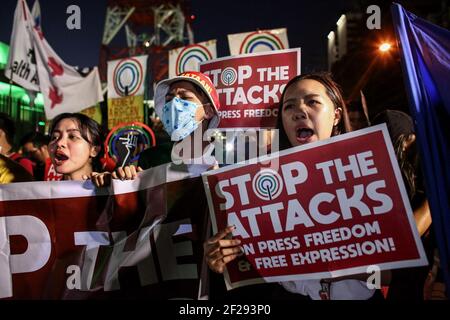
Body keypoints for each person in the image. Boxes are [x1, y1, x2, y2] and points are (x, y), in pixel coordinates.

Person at [204, 72, 389, 300]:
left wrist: (334, 268)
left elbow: (388, 276)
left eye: (312, 102)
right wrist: (223, 259)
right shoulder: (260, 185)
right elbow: (250, 267)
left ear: (337, 115)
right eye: (289, 106)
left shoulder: (371, 176)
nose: (299, 112)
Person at [91, 71, 221, 185]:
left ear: (208, 111)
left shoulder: (226, 157)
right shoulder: (151, 158)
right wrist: (117, 180)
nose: (174, 104)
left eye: (185, 97)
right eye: (169, 99)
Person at [372, 109, 435, 300]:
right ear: (407, 141)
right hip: (395, 280)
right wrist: (435, 199)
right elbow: (407, 236)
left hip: (400, 278)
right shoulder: (387, 180)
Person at [48, 113, 104, 181]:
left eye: (72, 137)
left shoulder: (112, 188)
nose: (59, 143)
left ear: (94, 150)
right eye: (54, 137)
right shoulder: (44, 190)